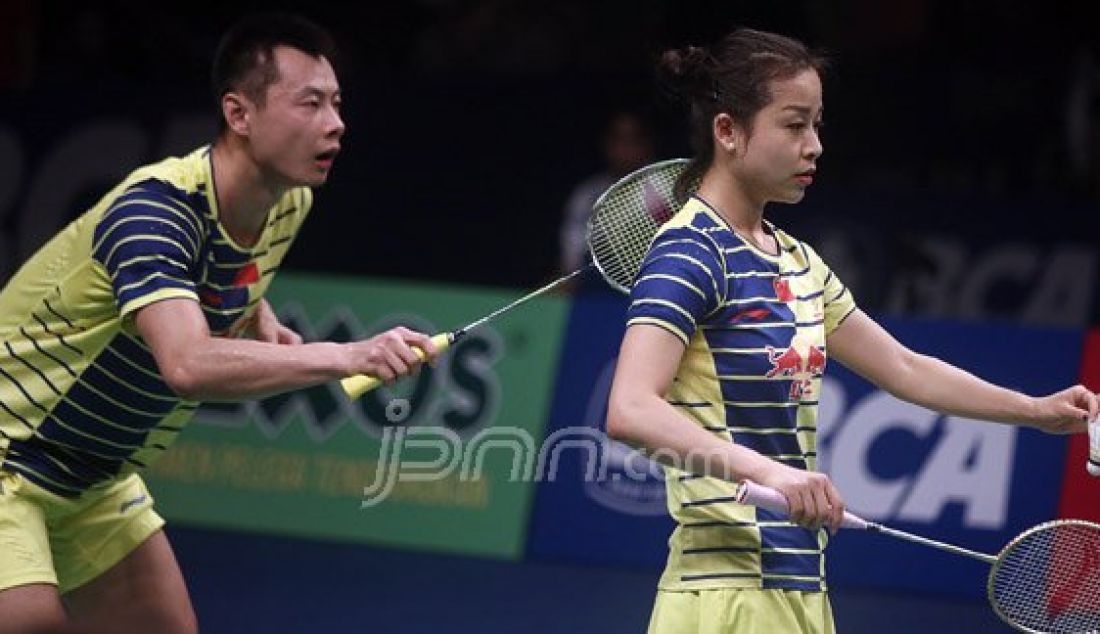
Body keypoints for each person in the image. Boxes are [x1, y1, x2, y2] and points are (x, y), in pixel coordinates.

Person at [605, 28, 1099, 634]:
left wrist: (1035, 410)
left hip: (800, 590)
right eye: (793, 125)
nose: (814, 146)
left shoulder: (797, 262)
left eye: (817, 124)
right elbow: (629, 408)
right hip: (725, 596)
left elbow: (904, 368)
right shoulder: (690, 252)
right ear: (728, 131)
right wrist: (770, 473)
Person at [0, 13, 438, 633]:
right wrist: (346, 356)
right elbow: (187, 365)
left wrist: (253, 313)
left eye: (337, 103)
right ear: (239, 114)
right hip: (9, 452)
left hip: (95, 477)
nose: (335, 123)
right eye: (309, 103)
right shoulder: (155, 213)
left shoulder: (287, 203)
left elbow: (229, 268)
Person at [558, 108, 655, 290]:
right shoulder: (587, 196)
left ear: (647, 144)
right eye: (618, 140)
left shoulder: (666, 191)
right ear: (606, 144)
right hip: (596, 297)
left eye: (632, 140)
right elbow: (570, 265)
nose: (625, 149)